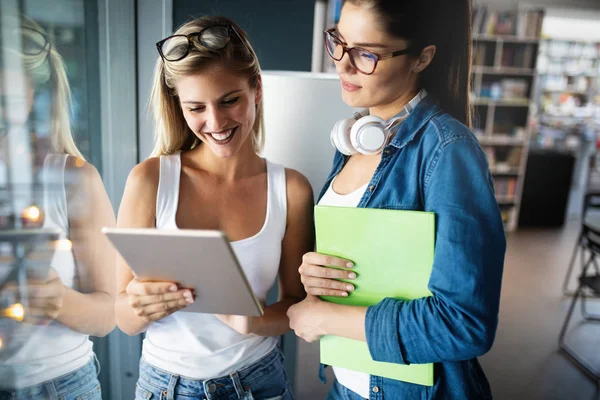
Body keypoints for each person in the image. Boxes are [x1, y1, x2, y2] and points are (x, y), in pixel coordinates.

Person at [286, 1, 506, 399]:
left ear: (422, 58)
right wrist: (318, 275)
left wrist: (327, 317)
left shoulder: (449, 150)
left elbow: (464, 324)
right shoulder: (356, 140)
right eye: (338, 41)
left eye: (366, 53)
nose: (342, 64)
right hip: (349, 387)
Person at [114, 15, 313, 400]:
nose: (216, 122)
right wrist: (143, 304)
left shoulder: (290, 189)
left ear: (256, 88)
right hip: (164, 387)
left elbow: (296, 305)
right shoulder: (149, 181)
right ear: (179, 106)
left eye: (229, 100)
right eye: (196, 108)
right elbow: (124, 320)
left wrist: (253, 321)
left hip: (260, 383)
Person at [0, 15, 116, 400]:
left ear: (31, 94)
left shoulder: (74, 180)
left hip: (58, 386)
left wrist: (57, 300)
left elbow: (109, 314)